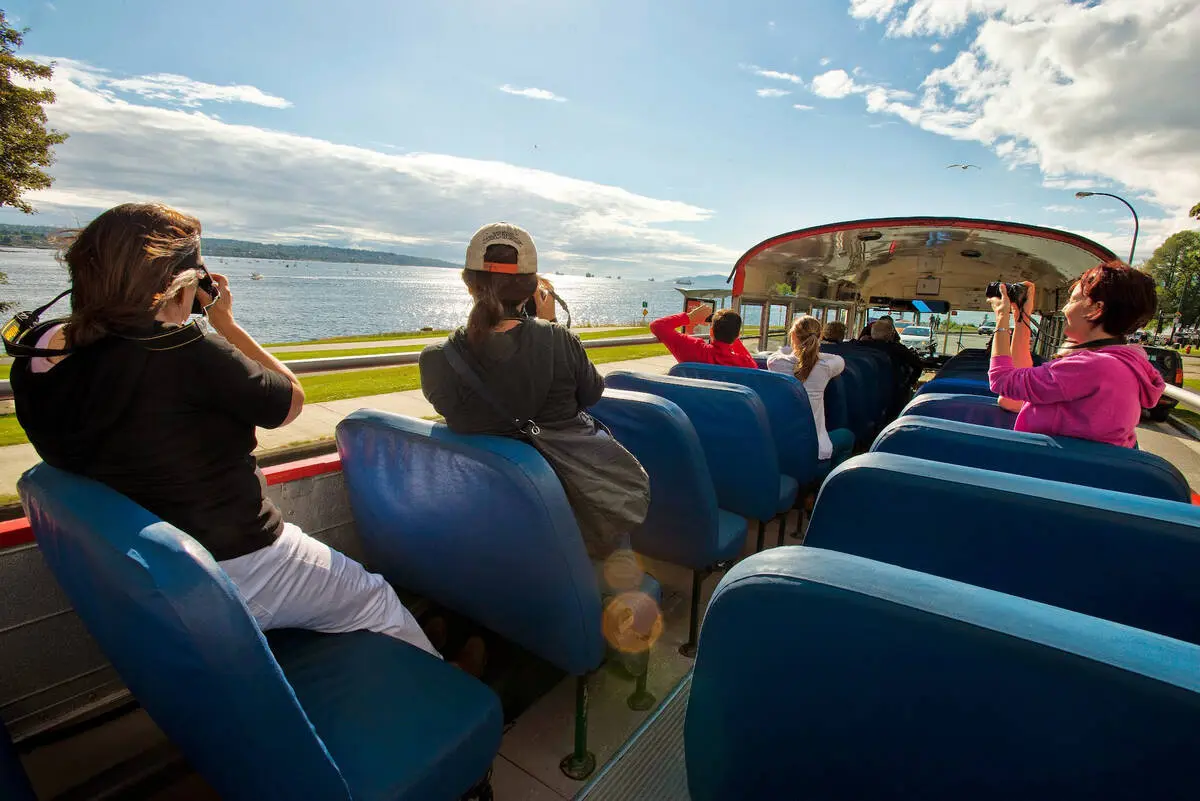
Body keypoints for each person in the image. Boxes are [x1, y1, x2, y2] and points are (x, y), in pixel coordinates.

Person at [10, 203, 483, 673]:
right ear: (179, 283)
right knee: (373, 597)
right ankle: (441, 674)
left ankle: (412, 641)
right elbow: (290, 400)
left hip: (138, 571)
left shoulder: (37, 353)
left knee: (360, 601)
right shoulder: (185, 351)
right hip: (240, 562)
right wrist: (226, 324)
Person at [988, 263, 1164, 448]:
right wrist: (1020, 316)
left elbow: (1001, 380)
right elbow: (1013, 400)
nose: (1064, 309)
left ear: (1096, 309)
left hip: (1048, 471)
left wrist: (1001, 317)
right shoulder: (1122, 364)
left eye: (1072, 300)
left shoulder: (1094, 367)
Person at [767, 315, 855, 466]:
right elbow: (838, 359)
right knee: (848, 437)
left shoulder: (776, 363)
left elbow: (781, 352)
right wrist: (816, 354)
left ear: (792, 336)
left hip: (780, 445)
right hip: (814, 449)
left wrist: (795, 350)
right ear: (820, 336)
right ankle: (827, 479)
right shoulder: (827, 366)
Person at [649, 303, 757, 368]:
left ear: (711, 332)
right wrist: (732, 335)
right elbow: (754, 367)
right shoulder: (745, 364)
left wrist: (689, 317)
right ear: (737, 335)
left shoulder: (694, 350)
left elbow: (658, 326)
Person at [860, 317, 924, 415]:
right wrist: (909, 381)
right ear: (891, 335)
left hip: (861, 395)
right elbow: (918, 365)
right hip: (891, 397)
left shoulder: (857, 347)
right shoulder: (898, 350)